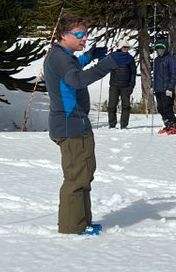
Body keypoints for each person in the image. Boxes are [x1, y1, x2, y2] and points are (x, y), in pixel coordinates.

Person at [43, 15, 129, 235]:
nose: (84, 38)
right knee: (76, 178)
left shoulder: (65, 56)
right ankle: (72, 228)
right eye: (79, 34)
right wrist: (107, 64)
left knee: (85, 174)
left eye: (86, 34)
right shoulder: (59, 58)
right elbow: (76, 80)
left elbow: (74, 67)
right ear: (63, 35)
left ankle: (82, 221)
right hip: (69, 126)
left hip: (78, 125)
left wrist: (90, 56)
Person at [107, 42, 136, 129]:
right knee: (112, 105)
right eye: (124, 47)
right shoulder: (114, 57)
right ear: (120, 48)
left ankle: (124, 124)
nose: (126, 49)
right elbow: (107, 66)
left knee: (126, 106)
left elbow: (133, 73)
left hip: (126, 86)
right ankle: (112, 124)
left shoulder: (130, 59)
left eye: (127, 47)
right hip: (114, 85)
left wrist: (131, 86)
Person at [153, 39, 176, 135]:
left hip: (167, 88)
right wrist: (153, 86)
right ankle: (167, 124)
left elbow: (174, 75)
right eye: (158, 49)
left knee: (167, 107)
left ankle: (173, 125)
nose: (159, 50)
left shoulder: (171, 59)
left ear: (165, 48)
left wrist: (170, 88)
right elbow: (155, 75)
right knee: (160, 108)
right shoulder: (156, 60)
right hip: (158, 88)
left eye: (161, 48)